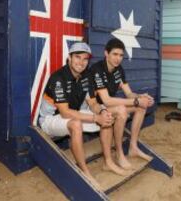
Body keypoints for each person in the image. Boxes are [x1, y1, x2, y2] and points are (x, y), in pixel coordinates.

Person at [38, 42, 127, 189]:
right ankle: (84, 171)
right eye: (77, 57)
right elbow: (65, 112)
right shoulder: (58, 77)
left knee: (108, 116)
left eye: (85, 59)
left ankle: (108, 162)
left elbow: (92, 103)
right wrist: (94, 118)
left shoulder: (85, 76)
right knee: (76, 124)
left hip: (73, 114)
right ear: (69, 58)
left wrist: (102, 112)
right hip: (50, 119)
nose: (81, 62)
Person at [89, 38, 154, 170]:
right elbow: (106, 100)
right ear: (106, 53)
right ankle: (119, 153)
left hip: (110, 105)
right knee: (121, 110)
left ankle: (133, 147)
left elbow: (129, 94)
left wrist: (141, 97)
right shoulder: (97, 70)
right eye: (115, 54)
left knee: (141, 106)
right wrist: (136, 101)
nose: (118, 58)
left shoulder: (119, 70)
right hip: (96, 107)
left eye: (121, 55)